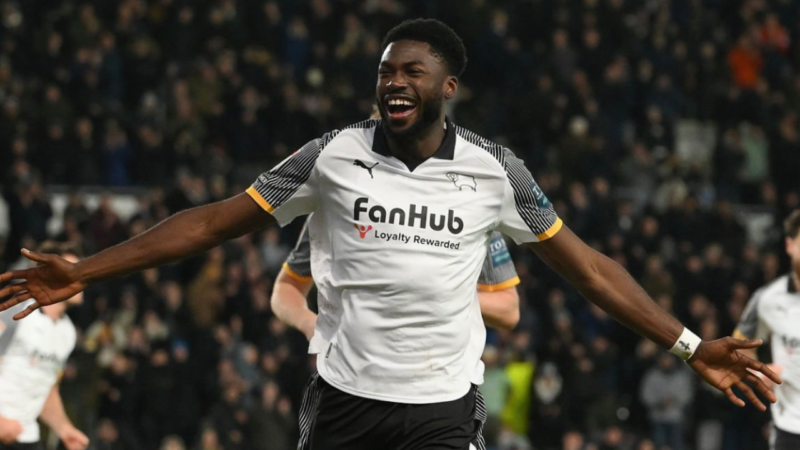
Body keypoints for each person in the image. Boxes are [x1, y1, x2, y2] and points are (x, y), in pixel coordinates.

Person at [0, 19, 780, 450]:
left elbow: (590, 271)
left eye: (411, 71)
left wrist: (689, 345)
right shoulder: (329, 157)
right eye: (384, 71)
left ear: (448, 86)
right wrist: (86, 270)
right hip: (344, 405)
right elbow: (210, 223)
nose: (393, 82)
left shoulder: (496, 172)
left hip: (443, 410)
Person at [272, 216, 522, 340]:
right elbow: (287, 286)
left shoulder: (471, 205)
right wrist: (310, 325)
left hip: (439, 386)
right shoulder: (337, 199)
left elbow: (508, 310)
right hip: (352, 380)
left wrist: (435, 294)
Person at [0, 242, 89, 450]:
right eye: (72, 270)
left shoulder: (67, 333)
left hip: (27, 436)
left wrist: (64, 429)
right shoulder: (14, 314)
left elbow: (47, 388)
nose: (81, 277)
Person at [733, 209, 800, 450]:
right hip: (790, 427)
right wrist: (760, 373)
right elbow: (738, 347)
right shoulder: (768, 298)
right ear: (789, 245)